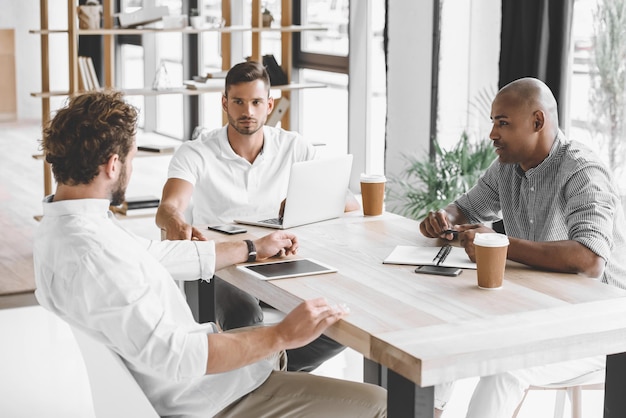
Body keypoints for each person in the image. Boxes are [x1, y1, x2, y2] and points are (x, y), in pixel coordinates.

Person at [33, 91, 387, 418]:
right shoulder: (95, 255)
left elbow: (151, 255)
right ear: (113, 165)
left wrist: (250, 247)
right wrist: (280, 335)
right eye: (130, 157)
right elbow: (178, 358)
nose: (131, 166)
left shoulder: (66, 229)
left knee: (322, 330)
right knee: (382, 404)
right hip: (211, 399)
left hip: (203, 381)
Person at [420, 77, 626, 417]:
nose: (492, 135)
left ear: (537, 122)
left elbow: (589, 260)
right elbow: (466, 209)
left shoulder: (582, 170)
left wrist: (497, 243)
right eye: (493, 123)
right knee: (443, 341)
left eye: (503, 123)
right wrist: (443, 217)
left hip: (600, 327)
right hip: (538, 311)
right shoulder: (508, 167)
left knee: (504, 371)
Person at [156, 61, 357, 372]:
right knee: (244, 316)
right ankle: (260, 383)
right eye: (238, 101)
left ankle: (265, 375)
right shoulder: (195, 152)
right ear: (224, 103)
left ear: (269, 105)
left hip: (280, 258)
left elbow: (347, 201)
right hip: (221, 268)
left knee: (340, 314)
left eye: (256, 102)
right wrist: (176, 221)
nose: (247, 110)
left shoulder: (294, 146)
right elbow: (169, 207)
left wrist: (302, 202)